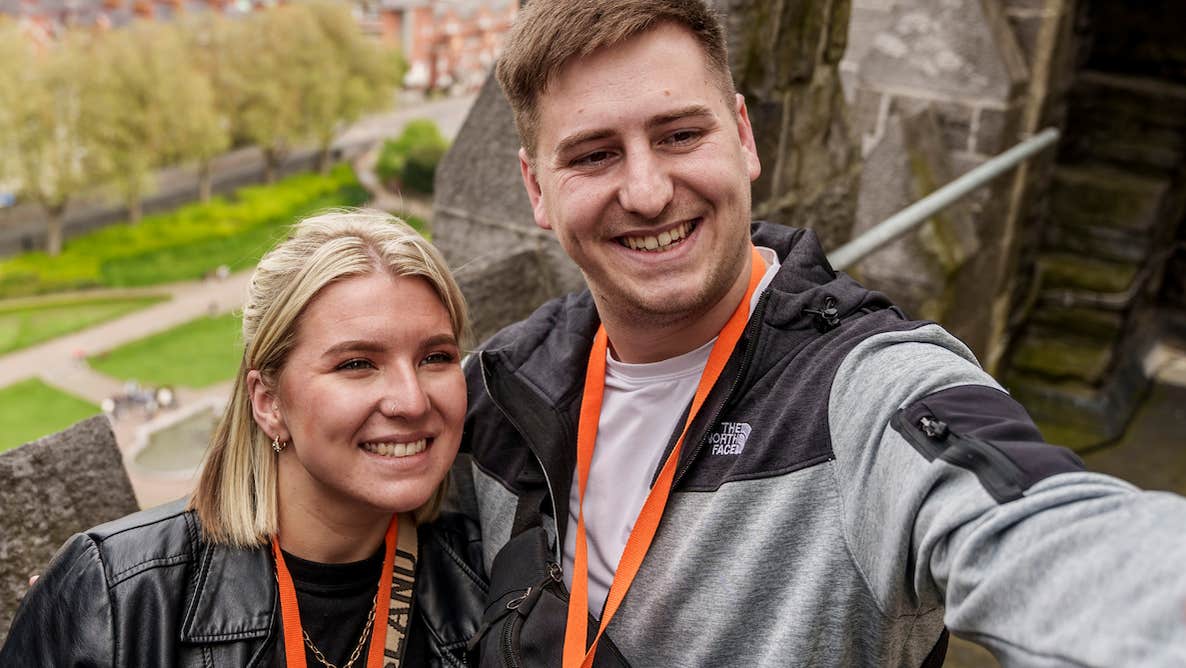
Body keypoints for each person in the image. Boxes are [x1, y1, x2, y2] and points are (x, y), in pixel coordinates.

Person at [451, 1, 1186, 666]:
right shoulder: (494, 390)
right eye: (593, 155)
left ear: (743, 138)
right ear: (536, 189)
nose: (646, 192)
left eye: (679, 135)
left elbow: (1048, 531)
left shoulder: (866, 392)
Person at [1, 211, 484, 666]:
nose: (412, 401)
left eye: (435, 357)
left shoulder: (495, 581)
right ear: (268, 402)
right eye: (356, 364)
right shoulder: (119, 597)